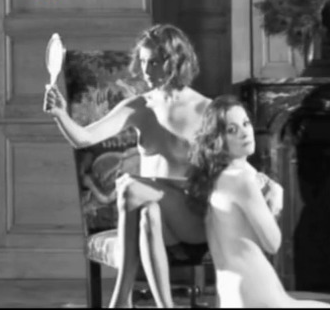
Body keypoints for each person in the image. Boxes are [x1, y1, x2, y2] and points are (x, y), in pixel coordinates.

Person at [45, 23, 212, 308]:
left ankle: (120, 301)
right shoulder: (140, 107)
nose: (146, 70)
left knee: (130, 186)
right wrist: (60, 114)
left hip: (192, 219)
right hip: (157, 221)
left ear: (175, 61)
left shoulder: (206, 109)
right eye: (143, 61)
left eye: (154, 62)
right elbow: (83, 138)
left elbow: (223, 169)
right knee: (147, 212)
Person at [186, 95, 330, 308]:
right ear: (218, 140)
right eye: (232, 130)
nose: (244, 132)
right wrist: (276, 200)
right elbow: (273, 243)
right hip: (256, 296)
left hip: (232, 297)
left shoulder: (218, 178)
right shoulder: (241, 180)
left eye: (246, 123)